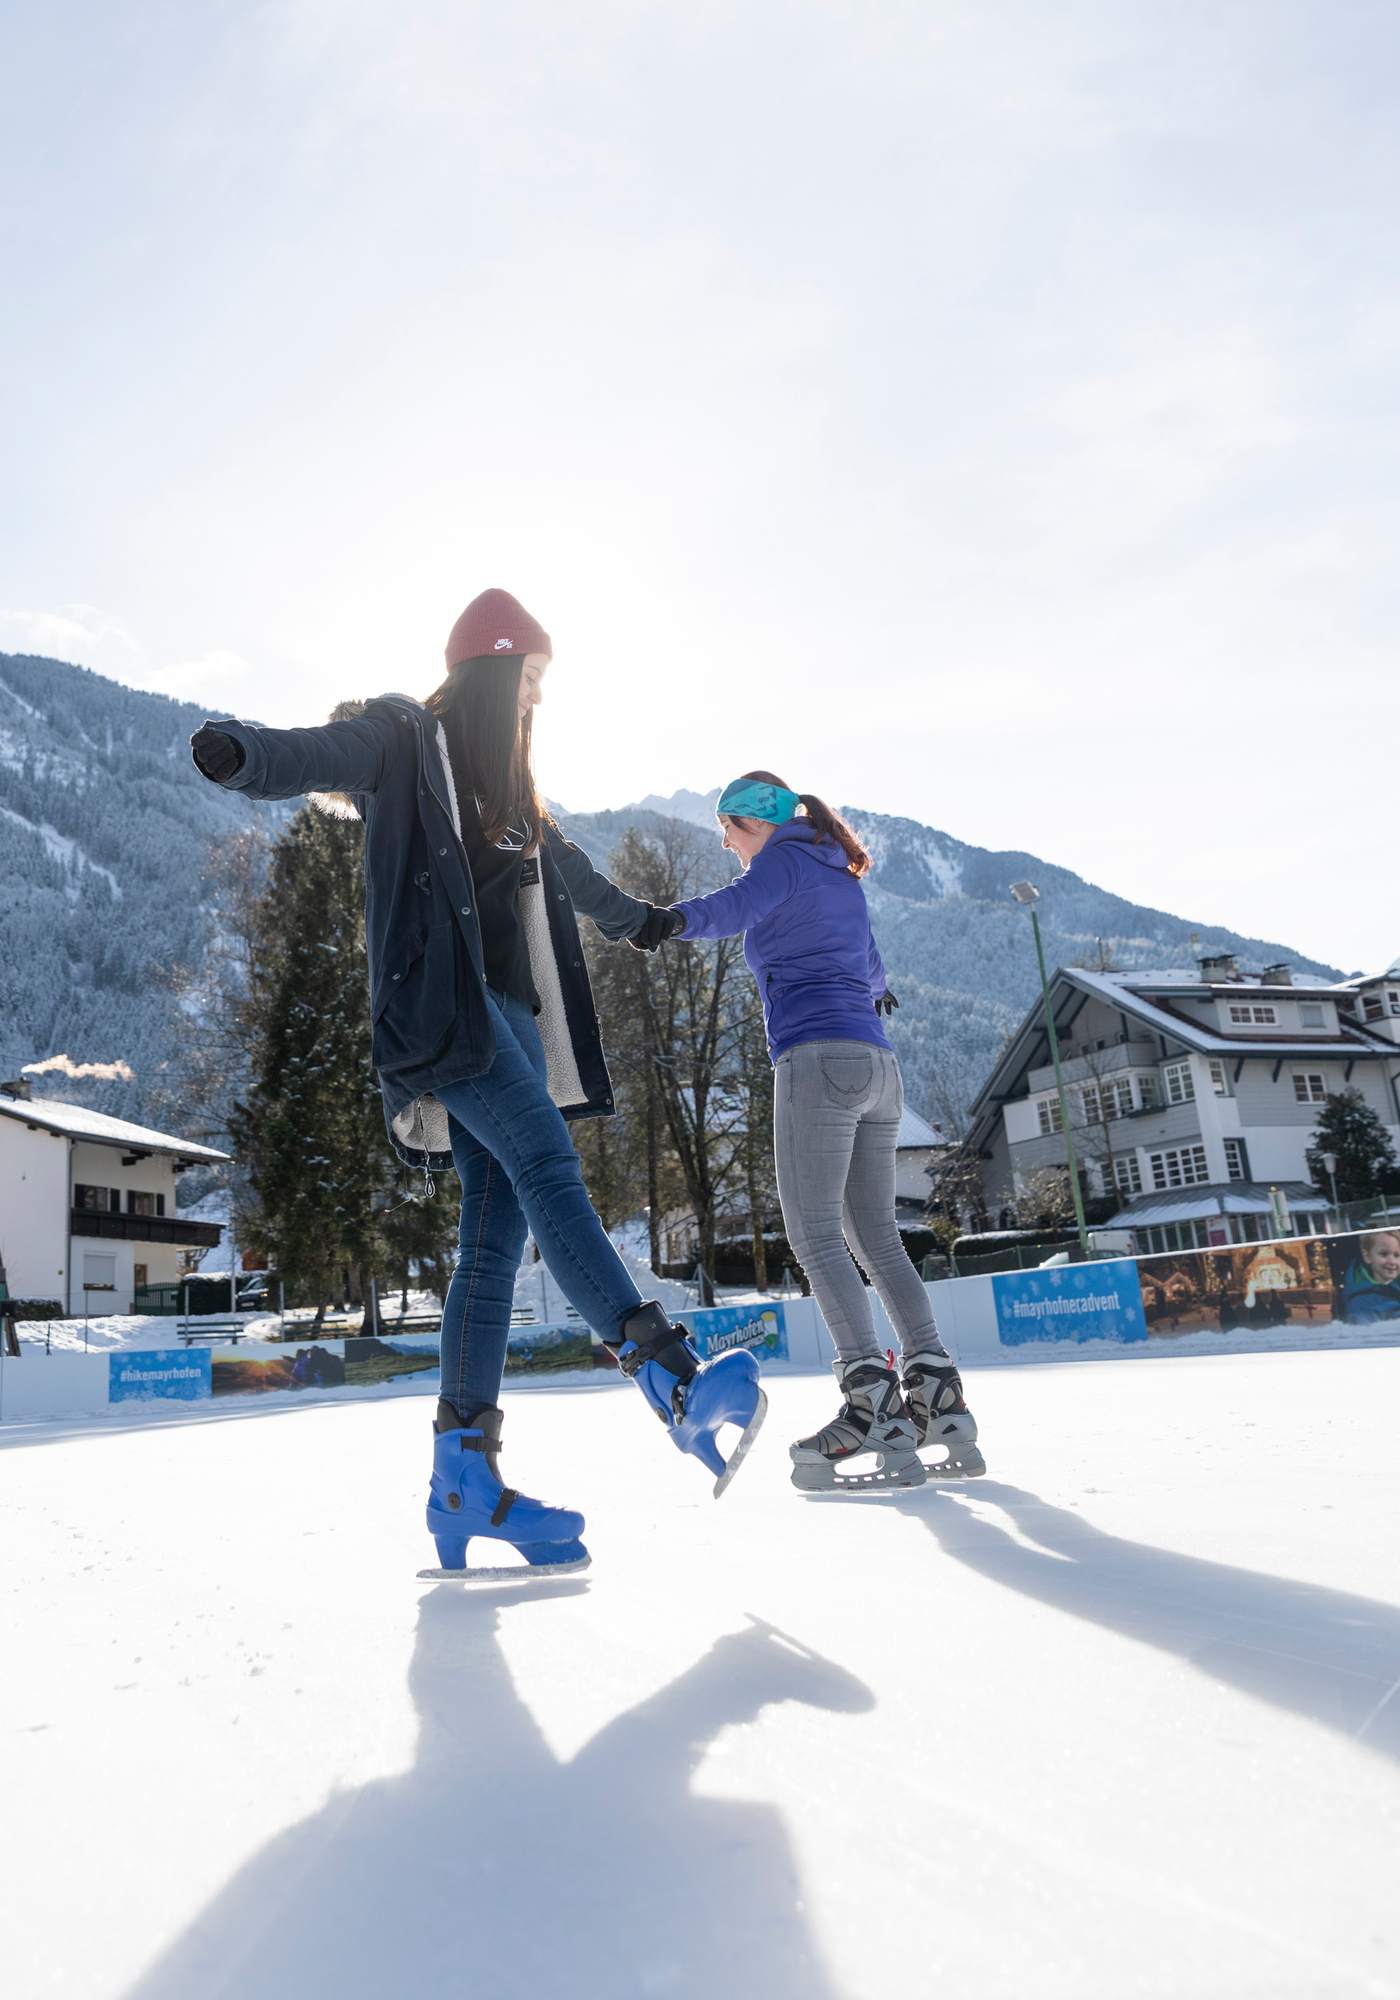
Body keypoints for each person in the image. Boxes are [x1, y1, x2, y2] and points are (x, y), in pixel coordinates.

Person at [187, 589, 765, 1573]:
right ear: (492, 671)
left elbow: (580, 882)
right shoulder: (409, 737)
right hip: (443, 1012)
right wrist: (243, 752)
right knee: (548, 1168)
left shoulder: (517, 793)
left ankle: (464, 1479)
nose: (537, 697)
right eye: (529, 678)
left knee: (491, 1242)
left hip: (504, 1016)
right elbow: (325, 755)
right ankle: (671, 1379)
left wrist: (650, 924)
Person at [643, 771, 984, 1489]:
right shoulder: (833, 869)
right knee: (877, 1238)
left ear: (755, 823)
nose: (728, 845)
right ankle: (939, 1398)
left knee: (817, 1236)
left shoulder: (781, 861)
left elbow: (734, 908)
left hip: (817, 1061)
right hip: (877, 1065)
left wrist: (666, 921)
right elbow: (872, 967)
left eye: (729, 830)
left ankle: (873, 1407)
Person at [1339, 1229, 1400, 1323]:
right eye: (1384, 1254)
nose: (1392, 1261)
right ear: (1367, 1256)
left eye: (1397, 1255)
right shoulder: (1360, 1304)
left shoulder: (1393, 1288)